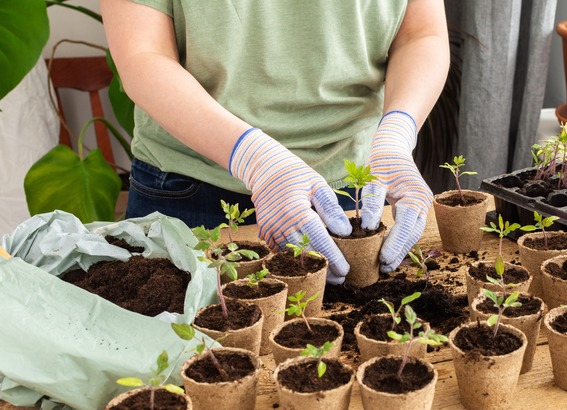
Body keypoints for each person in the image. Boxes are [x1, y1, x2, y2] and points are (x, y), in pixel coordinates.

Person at [100, 0, 449, 284]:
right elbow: (142, 53)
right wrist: (255, 159)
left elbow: (420, 33)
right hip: (193, 191)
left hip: (350, 192)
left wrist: (397, 132)